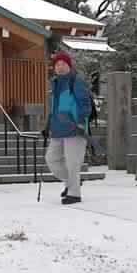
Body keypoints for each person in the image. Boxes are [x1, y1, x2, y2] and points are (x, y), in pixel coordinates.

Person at [41, 51, 92, 205]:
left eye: (63, 64)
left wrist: (81, 122)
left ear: (69, 66)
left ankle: (74, 193)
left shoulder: (76, 81)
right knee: (52, 159)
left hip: (74, 128)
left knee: (72, 163)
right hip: (58, 129)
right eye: (57, 65)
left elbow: (85, 104)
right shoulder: (55, 85)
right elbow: (53, 110)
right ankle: (71, 183)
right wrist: (47, 126)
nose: (60, 67)